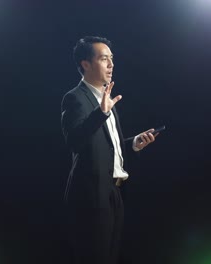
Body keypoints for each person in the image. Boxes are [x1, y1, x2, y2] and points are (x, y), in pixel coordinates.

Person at [61, 36, 159, 264]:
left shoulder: (107, 100)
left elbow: (106, 146)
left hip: (113, 193)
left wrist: (134, 143)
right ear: (86, 64)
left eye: (112, 59)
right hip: (91, 196)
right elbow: (74, 141)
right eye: (104, 59)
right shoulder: (75, 98)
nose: (111, 65)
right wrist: (100, 113)